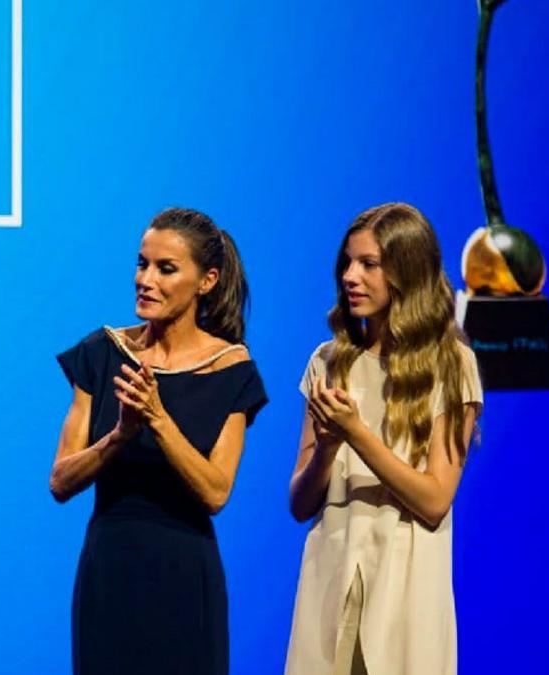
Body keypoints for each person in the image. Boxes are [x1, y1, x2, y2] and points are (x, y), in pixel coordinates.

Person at [52, 207, 268, 675]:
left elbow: (215, 491)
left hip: (185, 577)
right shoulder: (102, 353)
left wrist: (157, 419)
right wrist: (118, 437)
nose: (145, 279)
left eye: (165, 269)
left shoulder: (232, 370)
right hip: (109, 570)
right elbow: (61, 481)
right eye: (142, 263)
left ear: (206, 281)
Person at [285, 203, 483, 674]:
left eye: (369, 264)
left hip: (405, 587)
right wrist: (329, 448)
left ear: (406, 271)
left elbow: (435, 498)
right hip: (330, 580)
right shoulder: (329, 362)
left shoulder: (452, 365)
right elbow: (298, 502)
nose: (351, 276)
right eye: (348, 263)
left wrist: (356, 434)